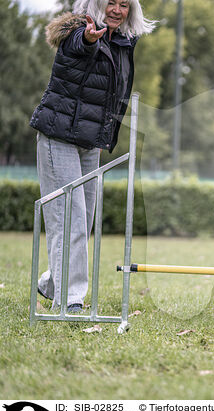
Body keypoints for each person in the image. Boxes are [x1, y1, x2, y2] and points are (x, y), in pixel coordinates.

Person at [29, 0, 155, 313]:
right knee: (68, 218)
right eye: (110, 2)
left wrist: (101, 137)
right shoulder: (77, 31)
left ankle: (49, 283)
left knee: (83, 223)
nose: (117, 9)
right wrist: (87, 39)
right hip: (58, 136)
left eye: (124, 5)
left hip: (89, 143)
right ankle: (70, 300)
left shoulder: (124, 43)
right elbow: (77, 45)